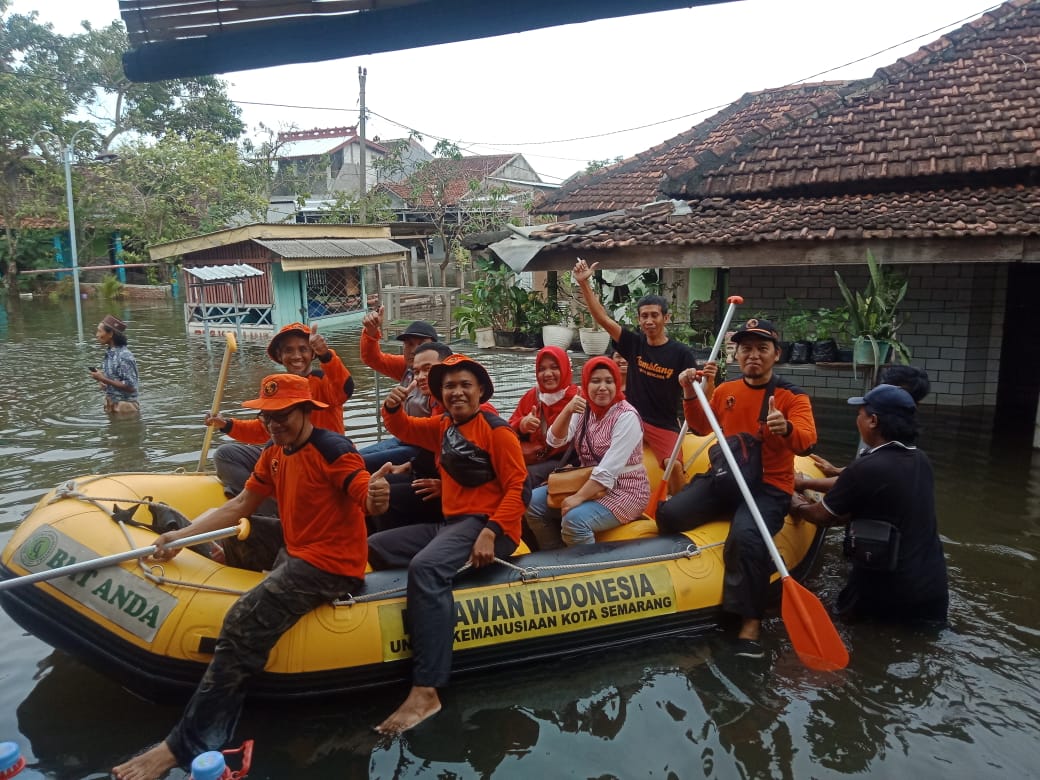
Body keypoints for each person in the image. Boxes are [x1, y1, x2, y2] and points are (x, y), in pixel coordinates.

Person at [112, 373, 390, 780]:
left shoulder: (334, 450)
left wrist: (376, 497)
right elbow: (241, 503)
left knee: (241, 621)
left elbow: (364, 493)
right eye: (268, 417)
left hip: (331, 566)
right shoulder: (275, 452)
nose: (274, 424)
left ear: (305, 411)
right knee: (245, 530)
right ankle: (225, 558)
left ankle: (183, 745)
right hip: (297, 546)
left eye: (283, 415)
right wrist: (181, 537)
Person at [367, 354, 527, 734]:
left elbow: (520, 488)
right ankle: (414, 613)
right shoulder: (442, 426)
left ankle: (427, 690)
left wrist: (491, 531)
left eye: (465, 385)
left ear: (481, 391)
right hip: (452, 524)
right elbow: (404, 427)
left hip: (490, 527)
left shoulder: (497, 431)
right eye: (449, 386)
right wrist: (391, 407)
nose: (456, 392)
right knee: (377, 546)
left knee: (425, 568)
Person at [656, 318, 817, 659]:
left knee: (745, 539)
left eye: (762, 348)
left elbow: (807, 442)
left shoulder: (792, 396)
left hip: (769, 487)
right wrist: (689, 392)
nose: (753, 355)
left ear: (776, 354)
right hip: (727, 477)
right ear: (737, 354)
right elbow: (700, 427)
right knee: (669, 515)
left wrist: (786, 428)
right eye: (746, 349)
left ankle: (750, 623)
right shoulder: (726, 391)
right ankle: (739, 528)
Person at [789, 384, 948, 624]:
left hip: (885, 594)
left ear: (873, 421)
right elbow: (860, 487)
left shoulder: (866, 468)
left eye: (860, 414)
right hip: (931, 591)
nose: (858, 420)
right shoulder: (920, 460)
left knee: (843, 624)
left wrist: (794, 503)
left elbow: (823, 516)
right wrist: (809, 484)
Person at [205, 321, 354, 515]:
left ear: (312, 354)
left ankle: (272, 509)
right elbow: (263, 430)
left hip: (317, 464)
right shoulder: (278, 386)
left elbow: (345, 389)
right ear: (280, 355)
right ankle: (267, 506)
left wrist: (325, 354)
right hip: (286, 458)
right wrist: (226, 425)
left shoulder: (324, 381)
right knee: (225, 454)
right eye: (288, 350)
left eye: (303, 349)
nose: (296, 356)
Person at [572, 257, 697, 469]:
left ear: (666, 318)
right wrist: (584, 283)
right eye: (644, 316)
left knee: (674, 467)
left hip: (662, 424)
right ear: (639, 319)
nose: (649, 321)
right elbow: (603, 319)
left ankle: (677, 492)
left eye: (655, 315)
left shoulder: (681, 353)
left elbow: (695, 395)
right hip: (629, 419)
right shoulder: (634, 344)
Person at [524, 356, 650, 549]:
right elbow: (554, 440)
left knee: (575, 520)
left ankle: (587, 563)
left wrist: (577, 498)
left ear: (617, 384)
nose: (602, 387)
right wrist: (568, 410)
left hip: (624, 490)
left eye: (609, 381)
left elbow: (607, 471)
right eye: (595, 381)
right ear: (585, 384)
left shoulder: (627, 417)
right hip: (587, 481)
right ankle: (554, 554)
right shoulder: (584, 408)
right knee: (532, 503)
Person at [369, 340, 454, 533]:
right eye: (416, 372)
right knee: (374, 489)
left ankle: (387, 542)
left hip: (459, 500)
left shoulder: (479, 415)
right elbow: (412, 431)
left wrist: (448, 487)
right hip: (433, 477)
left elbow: (485, 470)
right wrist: (392, 407)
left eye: (428, 369)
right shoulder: (437, 405)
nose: (421, 376)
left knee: (385, 496)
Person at [806, 365, 931, 483]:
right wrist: (839, 471)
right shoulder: (918, 455)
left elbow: (867, 477)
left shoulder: (891, 440)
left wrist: (804, 483)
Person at [358, 307, 438, 470]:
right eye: (409, 344)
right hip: (403, 438)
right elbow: (373, 359)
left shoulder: (443, 377)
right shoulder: (406, 366)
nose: (414, 350)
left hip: (424, 447)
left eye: (421, 344)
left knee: (357, 464)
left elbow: (441, 431)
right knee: (351, 457)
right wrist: (371, 332)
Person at [508, 345, 580, 491]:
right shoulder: (532, 396)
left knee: (522, 477)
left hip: (564, 460)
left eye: (554, 367)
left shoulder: (578, 398)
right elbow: (507, 430)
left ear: (565, 368)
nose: (547, 374)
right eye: (541, 369)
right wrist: (522, 425)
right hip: (533, 457)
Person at [89, 314, 140, 414]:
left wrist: (104, 379)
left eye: (99, 331)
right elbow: (115, 381)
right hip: (111, 404)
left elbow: (131, 387)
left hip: (125, 407)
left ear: (111, 334)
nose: (97, 335)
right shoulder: (109, 353)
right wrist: (103, 381)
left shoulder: (125, 356)